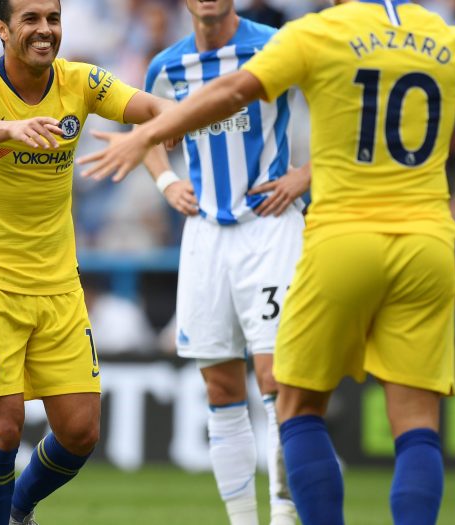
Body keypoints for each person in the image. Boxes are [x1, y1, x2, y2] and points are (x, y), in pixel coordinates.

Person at [78, 0, 455, 523]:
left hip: (343, 243)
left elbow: (232, 92)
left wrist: (144, 136)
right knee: (416, 424)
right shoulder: (447, 36)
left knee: (296, 406)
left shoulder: (319, 32)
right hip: (427, 247)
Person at [0, 1, 173, 524]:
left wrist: (173, 119)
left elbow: (147, 105)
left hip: (58, 285)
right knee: (3, 428)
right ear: (2, 29)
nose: (45, 29)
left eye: (52, 18)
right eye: (30, 19)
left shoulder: (81, 81)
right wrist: (10, 129)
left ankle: (19, 510)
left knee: (80, 431)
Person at [134, 1, 307, 523]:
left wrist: (306, 175)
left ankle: (284, 516)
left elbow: (346, 109)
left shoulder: (276, 46)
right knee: (221, 387)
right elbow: (143, 129)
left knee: (277, 380)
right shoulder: (167, 66)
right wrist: (167, 181)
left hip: (269, 228)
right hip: (206, 236)